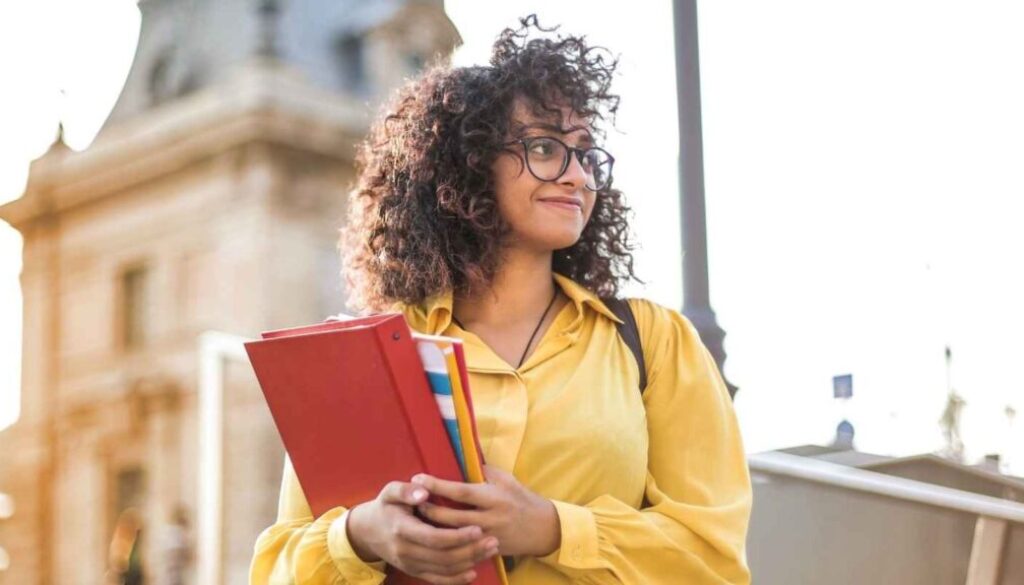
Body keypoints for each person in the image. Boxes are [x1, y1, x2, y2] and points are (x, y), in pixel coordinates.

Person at [250, 15, 751, 585]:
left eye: (585, 153)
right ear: (468, 163)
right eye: (543, 147)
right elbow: (275, 570)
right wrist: (361, 536)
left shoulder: (653, 342)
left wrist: (551, 528)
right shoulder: (369, 355)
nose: (576, 176)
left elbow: (714, 559)